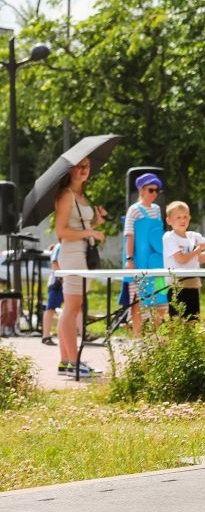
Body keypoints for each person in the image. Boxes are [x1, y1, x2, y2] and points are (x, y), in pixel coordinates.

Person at [53, 157, 107, 378]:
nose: (85, 169)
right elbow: (61, 233)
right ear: (71, 169)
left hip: (82, 255)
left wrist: (96, 224)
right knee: (72, 308)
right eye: (80, 165)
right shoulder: (66, 195)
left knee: (72, 307)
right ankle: (74, 362)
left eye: (87, 165)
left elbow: (78, 226)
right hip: (72, 255)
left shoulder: (81, 196)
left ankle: (66, 361)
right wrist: (90, 232)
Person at [123, 173, 167, 337]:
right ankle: (137, 336)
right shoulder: (134, 210)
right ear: (141, 190)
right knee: (137, 298)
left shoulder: (156, 209)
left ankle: (155, 336)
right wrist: (129, 259)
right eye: (151, 190)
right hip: (139, 260)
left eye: (157, 190)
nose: (154, 193)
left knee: (159, 295)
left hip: (156, 260)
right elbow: (129, 234)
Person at [162, 201, 205, 321]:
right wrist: (198, 250)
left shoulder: (194, 236)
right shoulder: (169, 237)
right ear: (169, 221)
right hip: (176, 285)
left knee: (193, 321)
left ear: (189, 218)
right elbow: (181, 259)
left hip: (193, 284)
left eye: (185, 217)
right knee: (177, 322)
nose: (182, 220)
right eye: (178, 217)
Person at [40, 243, 62, 346]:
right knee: (50, 308)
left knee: (77, 307)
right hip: (57, 283)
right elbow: (54, 264)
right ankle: (46, 335)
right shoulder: (59, 246)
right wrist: (61, 277)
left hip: (66, 281)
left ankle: (84, 333)